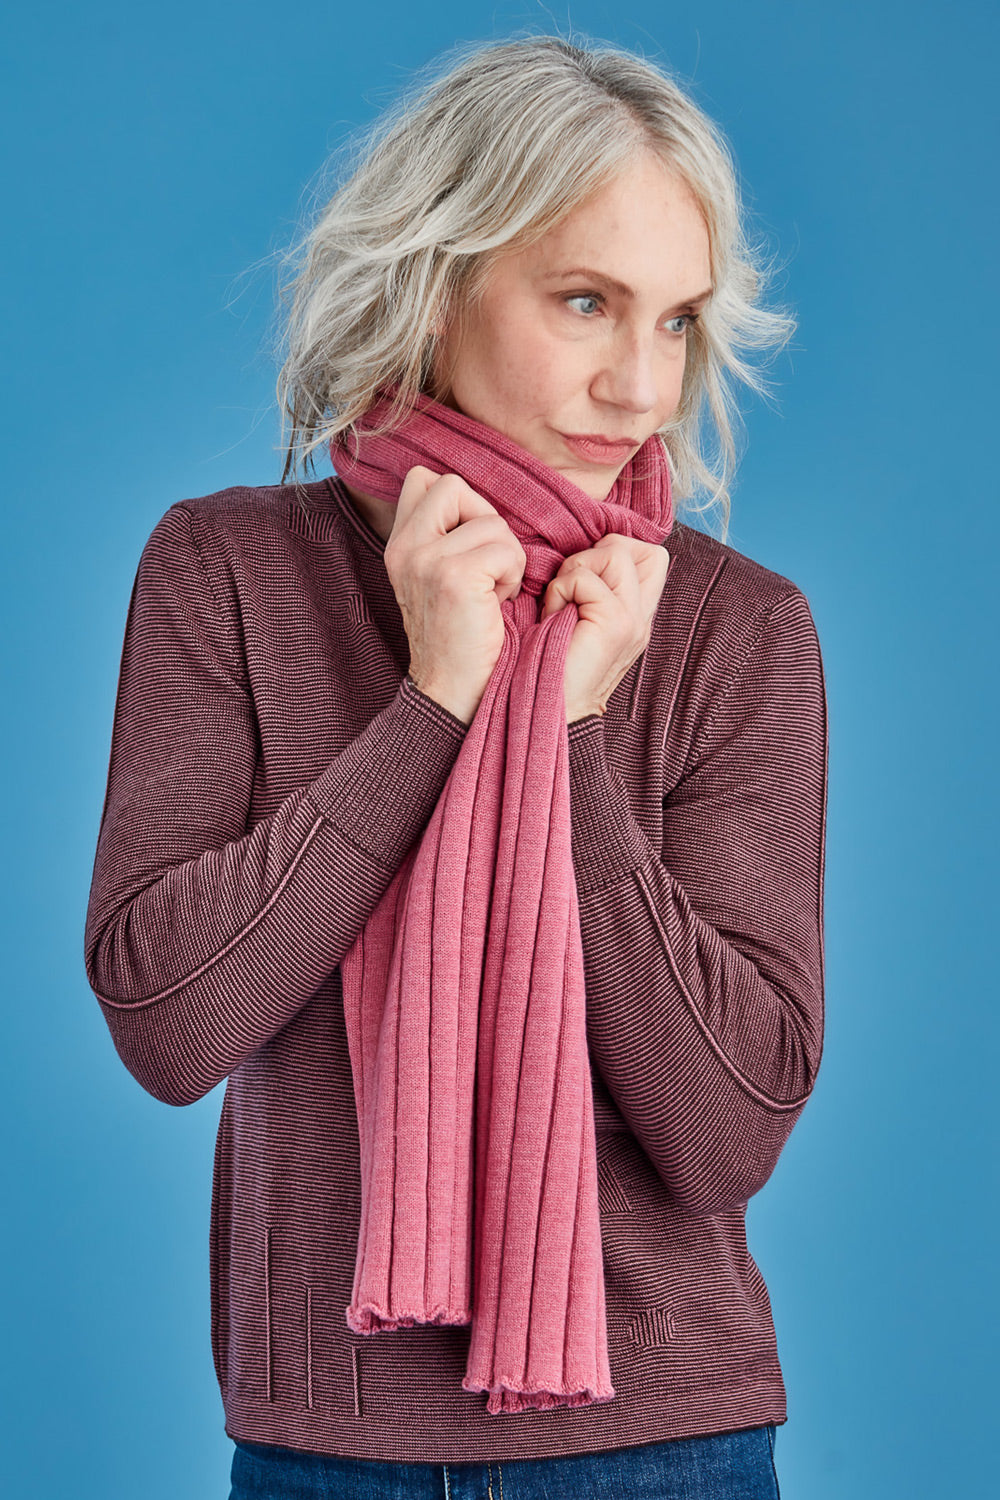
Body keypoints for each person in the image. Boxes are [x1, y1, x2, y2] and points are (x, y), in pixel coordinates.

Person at [84, 34, 827, 1500]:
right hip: (328, 1449)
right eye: (585, 301)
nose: (639, 385)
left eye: (677, 321)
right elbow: (170, 1024)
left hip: (662, 1452)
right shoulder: (227, 571)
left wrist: (573, 737)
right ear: (435, 284)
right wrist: (434, 702)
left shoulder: (738, 630)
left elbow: (727, 1125)